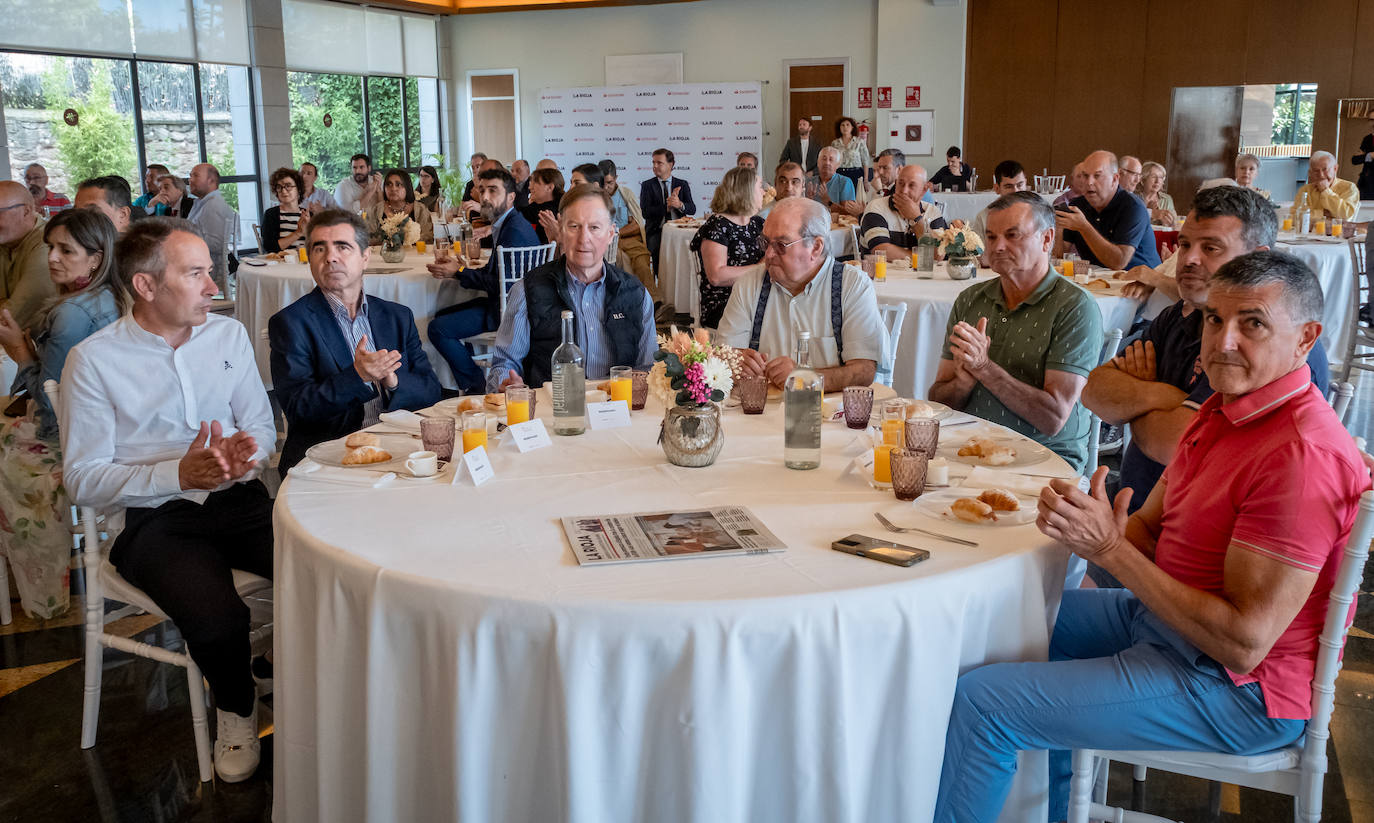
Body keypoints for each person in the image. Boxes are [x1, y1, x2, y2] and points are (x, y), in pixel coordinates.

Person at [932, 250, 1368, 823]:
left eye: (1253, 323)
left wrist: (1107, 549)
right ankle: (1058, 812)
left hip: (1240, 691)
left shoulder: (1299, 455)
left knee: (984, 706)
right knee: (992, 618)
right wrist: (1087, 524)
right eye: (1215, 319)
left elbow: (1243, 641)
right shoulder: (1223, 408)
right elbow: (1143, 530)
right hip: (1167, 627)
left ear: (1305, 339)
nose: (1224, 341)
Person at [61, 217, 277, 783]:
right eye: (197, 274)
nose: (214, 287)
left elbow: (261, 423)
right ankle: (236, 707)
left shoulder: (226, 336)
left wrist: (246, 452)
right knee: (216, 614)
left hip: (239, 498)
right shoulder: (94, 360)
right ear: (146, 286)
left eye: (211, 272)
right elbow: (81, 478)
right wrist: (174, 474)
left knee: (323, 570)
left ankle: (272, 663)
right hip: (154, 517)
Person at [1082, 185, 1329, 515]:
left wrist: (1133, 408)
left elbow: (1176, 445)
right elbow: (1094, 391)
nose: (1188, 259)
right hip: (1135, 513)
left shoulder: (1273, 345)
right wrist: (1162, 396)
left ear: (1257, 256)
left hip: (1195, 537)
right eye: (1185, 244)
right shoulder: (1180, 315)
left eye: (1211, 247)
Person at [0, 208, 121, 619]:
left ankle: (35, 584)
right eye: (51, 246)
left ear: (96, 258)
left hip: (75, 440)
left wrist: (19, 348)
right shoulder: (114, 297)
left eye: (66, 250)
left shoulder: (71, 314)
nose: (52, 257)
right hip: (115, 429)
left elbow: (52, 406)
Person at [930, 191, 1101, 476]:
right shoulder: (971, 300)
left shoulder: (1074, 306)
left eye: (1012, 235)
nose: (997, 247)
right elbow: (940, 403)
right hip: (970, 452)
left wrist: (984, 369)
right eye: (992, 237)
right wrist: (962, 382)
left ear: (1047, 239)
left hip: (1044, 461)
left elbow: (1053, 418)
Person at [269, 210, 440, 472]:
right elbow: (298, 409)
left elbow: (430, 391)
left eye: (342, 247)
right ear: (310, 260)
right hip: (330, 459)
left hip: (398, 453)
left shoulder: (397, 317)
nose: (331, 257)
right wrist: (357, 376)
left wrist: (393, 381)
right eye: (319, 249)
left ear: (365, 257)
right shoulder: (291, 323)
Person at [488, 186, 656, 390]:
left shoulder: (635, 294)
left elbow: (648, 367)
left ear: (611, 234)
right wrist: (506, 382)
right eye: (574, 226)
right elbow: (504, 363)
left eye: (594, 227)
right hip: (553, 411)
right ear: (560, 229)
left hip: (618, 410)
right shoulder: (527, 290)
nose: (583, 238)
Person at [717, 197, 882, 391]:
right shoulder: (749, 284)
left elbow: (863, 371)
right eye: (765, 242)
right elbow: (722, 354)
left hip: (828, 414)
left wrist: (805, 378)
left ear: (816, 247)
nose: (768, 254)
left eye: (781, 245)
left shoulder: (851, 285)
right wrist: (737, 361)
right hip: (761, 412)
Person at [426, 168, 540, 393]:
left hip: (510, 312)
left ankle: (475, 386)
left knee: (438, 328)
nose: (485, 197)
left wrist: (458, 271)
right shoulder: (509, 223)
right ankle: (471, 379)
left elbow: (498, 284)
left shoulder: (514, 231)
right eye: (482, 190)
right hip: (504, 303)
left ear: (510, 197)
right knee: (441, 314)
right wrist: (463, 268)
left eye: (493, 190)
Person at [1055, 150, 1161, 270]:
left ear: (1115, 179)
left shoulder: (1133, 207)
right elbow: (1058, 257)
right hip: (1097, 281)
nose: (1089, 182)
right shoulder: (1078, 206)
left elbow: (1119, 263)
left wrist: (1084, 227)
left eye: (1097, 176)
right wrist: (1059, 227)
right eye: (1085, 176)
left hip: (1138, 282)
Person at [690, 167, 766, 329]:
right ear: (746, 190)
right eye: (760, 187)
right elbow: (717, 276)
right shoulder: (718, 225)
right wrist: (761, 268)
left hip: (756, 295)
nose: (764, 192)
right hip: (725, 302)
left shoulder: (758, 223)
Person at [0, 181, 58, 329]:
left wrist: (6, 303)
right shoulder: (7, 239)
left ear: (26, 211)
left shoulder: (48, 244)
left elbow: (10, 318)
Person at [858, 164, 948, 259]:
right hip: (883, 273)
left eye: (911, 185)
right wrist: (925, 258)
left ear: (924, 190)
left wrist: (917, 220)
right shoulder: (876, 207)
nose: (904, 190)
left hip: (922, 274)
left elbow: (938, 255)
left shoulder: (933, 212)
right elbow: (881, 251)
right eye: (901, 183)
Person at [639, 148, 696, 270]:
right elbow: (645, 212)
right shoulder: (647, 185)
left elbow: (692, 209)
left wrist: (680, 204)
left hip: (680, 232)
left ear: (671, 164)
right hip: (656, 231)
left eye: (659, 163)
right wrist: (667, 208)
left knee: (682, 266)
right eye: (653, 162)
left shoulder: (682, 184)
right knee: (660, 268)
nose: (655, 166)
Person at [187, 163, 239, 293]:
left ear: (211, 180)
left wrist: (187, 244)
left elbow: (217, 244)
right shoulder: (202, 202)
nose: (190, 180)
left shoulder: (214, 205)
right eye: (190, 176)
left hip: (209, 268)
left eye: (195, 176)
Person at [364, 169, 434, 246]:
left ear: (407, 187)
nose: (393, 189)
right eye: (389, 184)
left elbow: (428, 238)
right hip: (383, 255)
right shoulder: (376, 210)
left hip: (415, 255)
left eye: (398, 185)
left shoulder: (420, 209)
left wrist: (408, 238)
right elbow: (368, 238)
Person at [970, 160, 1027, 252]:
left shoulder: (1036, 213)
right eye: (1009, 186)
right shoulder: (984, 217)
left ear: (1026, 184)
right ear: (997, 188)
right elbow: (978, 254)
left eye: (1020, 185)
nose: (1016, 191)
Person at [1291, 150, 1359, 221]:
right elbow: (1294, 217)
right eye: (1316, 171)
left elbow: (1345, 214)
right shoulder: (1305, 190)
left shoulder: (1349, 187)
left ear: (1335, 169)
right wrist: (1322, 213)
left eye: (1325, 169)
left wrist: (1325, 191)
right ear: (1311, 172)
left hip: (1337, 231)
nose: (1321, 175)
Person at [261, 167, 310, 253]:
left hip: (306, 263)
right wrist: (298, 233)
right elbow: (270, 248)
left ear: (298, 189)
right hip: (280, 264)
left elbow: (318, 245)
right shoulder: (271, 214)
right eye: (279, 187)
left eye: (288, 186)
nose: (283, 191)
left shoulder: (308, 215)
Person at [809, 147, 860, 217]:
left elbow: (850, 213)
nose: (827, 163)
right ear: (818, 163)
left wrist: (829, 203)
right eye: (824, 159)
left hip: (837, 225)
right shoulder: (809, 182)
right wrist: (808, 201)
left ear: (837, 165)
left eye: (831, 160)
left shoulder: (845, 182)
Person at [521, 167, 564, 245]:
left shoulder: (539, 212)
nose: (530, 187)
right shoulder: (562, 206)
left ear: (550, 187)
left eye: (535, 183)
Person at [830, 117, 870, 191]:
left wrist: (866, 180)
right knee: (840, 199)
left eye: (848, 125)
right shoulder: (835, 143)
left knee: (854, 199)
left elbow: (865, 161)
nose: (845, 127)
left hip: (856, 174)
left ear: (852, 127)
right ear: (839, 128)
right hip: (840, 173)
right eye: (842, 125)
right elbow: (833, 161)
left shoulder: (859, 142)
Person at [1140, 161, 1177, 226]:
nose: (1157, 181)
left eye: (1160, 177)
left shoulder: (1167, 199)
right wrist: (1150, 212)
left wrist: (1169, 222)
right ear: (1143, 180)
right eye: (1153, 177)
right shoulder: (1134, 198)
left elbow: (1174, 222)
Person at [1353, 118, 1374, 200]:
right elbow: (1355, 160)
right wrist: (1369, 155)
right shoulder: (1367, 139)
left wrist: (1365, 155)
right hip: (1366, 184)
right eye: (1371, 119)